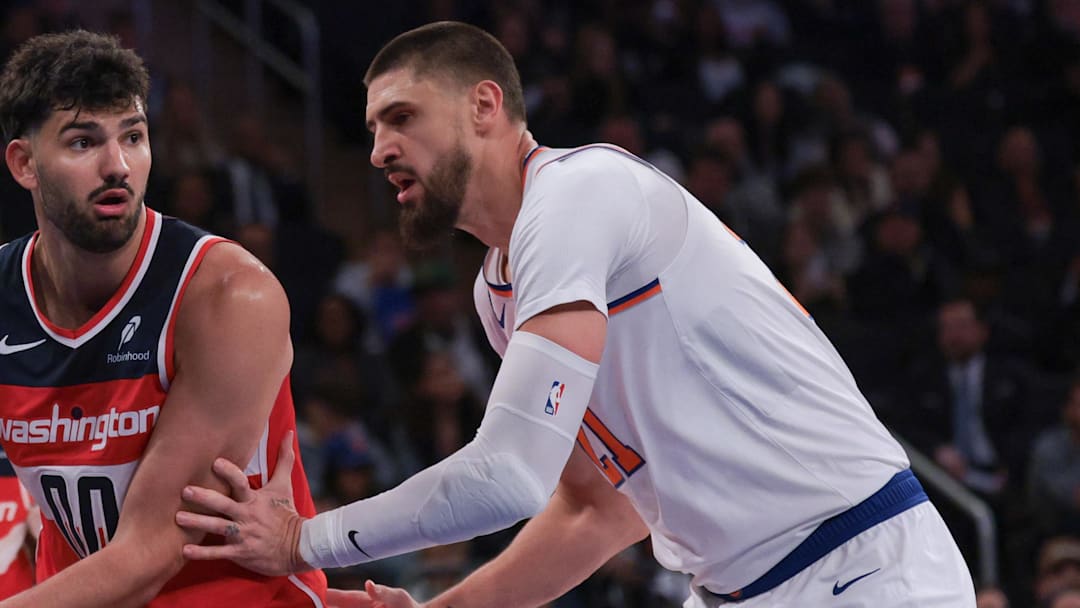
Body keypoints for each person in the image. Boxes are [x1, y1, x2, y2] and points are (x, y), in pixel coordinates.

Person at [177, 21, 975, 607]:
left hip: (862, 565)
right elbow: (600, 509)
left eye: (403, 117)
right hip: (739, 586)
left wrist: (303, 540)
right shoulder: (503, 288)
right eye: (373, 129)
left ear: (485, 105)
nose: (381, 147)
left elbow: (509, 474)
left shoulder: (577, 193)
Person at [0, 30, 326, 606]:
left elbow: (147, 554)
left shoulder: (230, 295)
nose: (117, 166)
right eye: (83, 143)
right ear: (25, 163)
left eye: (133, 136)